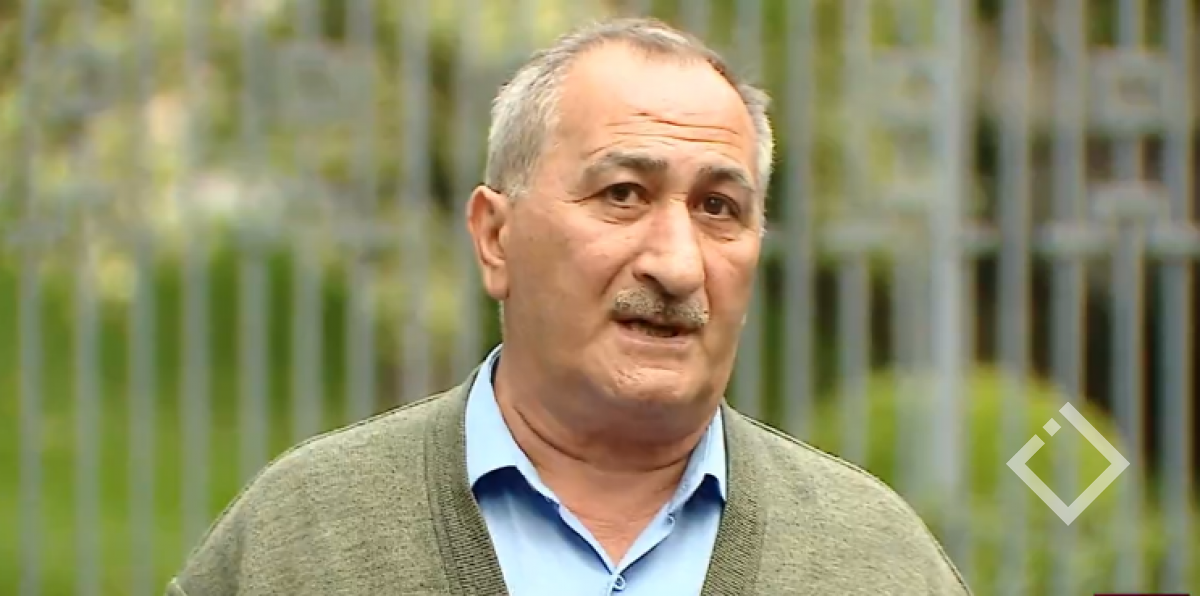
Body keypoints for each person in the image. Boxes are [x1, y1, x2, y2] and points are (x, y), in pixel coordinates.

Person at [168, 17, 972, 596]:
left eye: (718, 208)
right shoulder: (309, 539)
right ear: (496, 237)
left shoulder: (874, 561)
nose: (677, 265)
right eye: (623, 194)